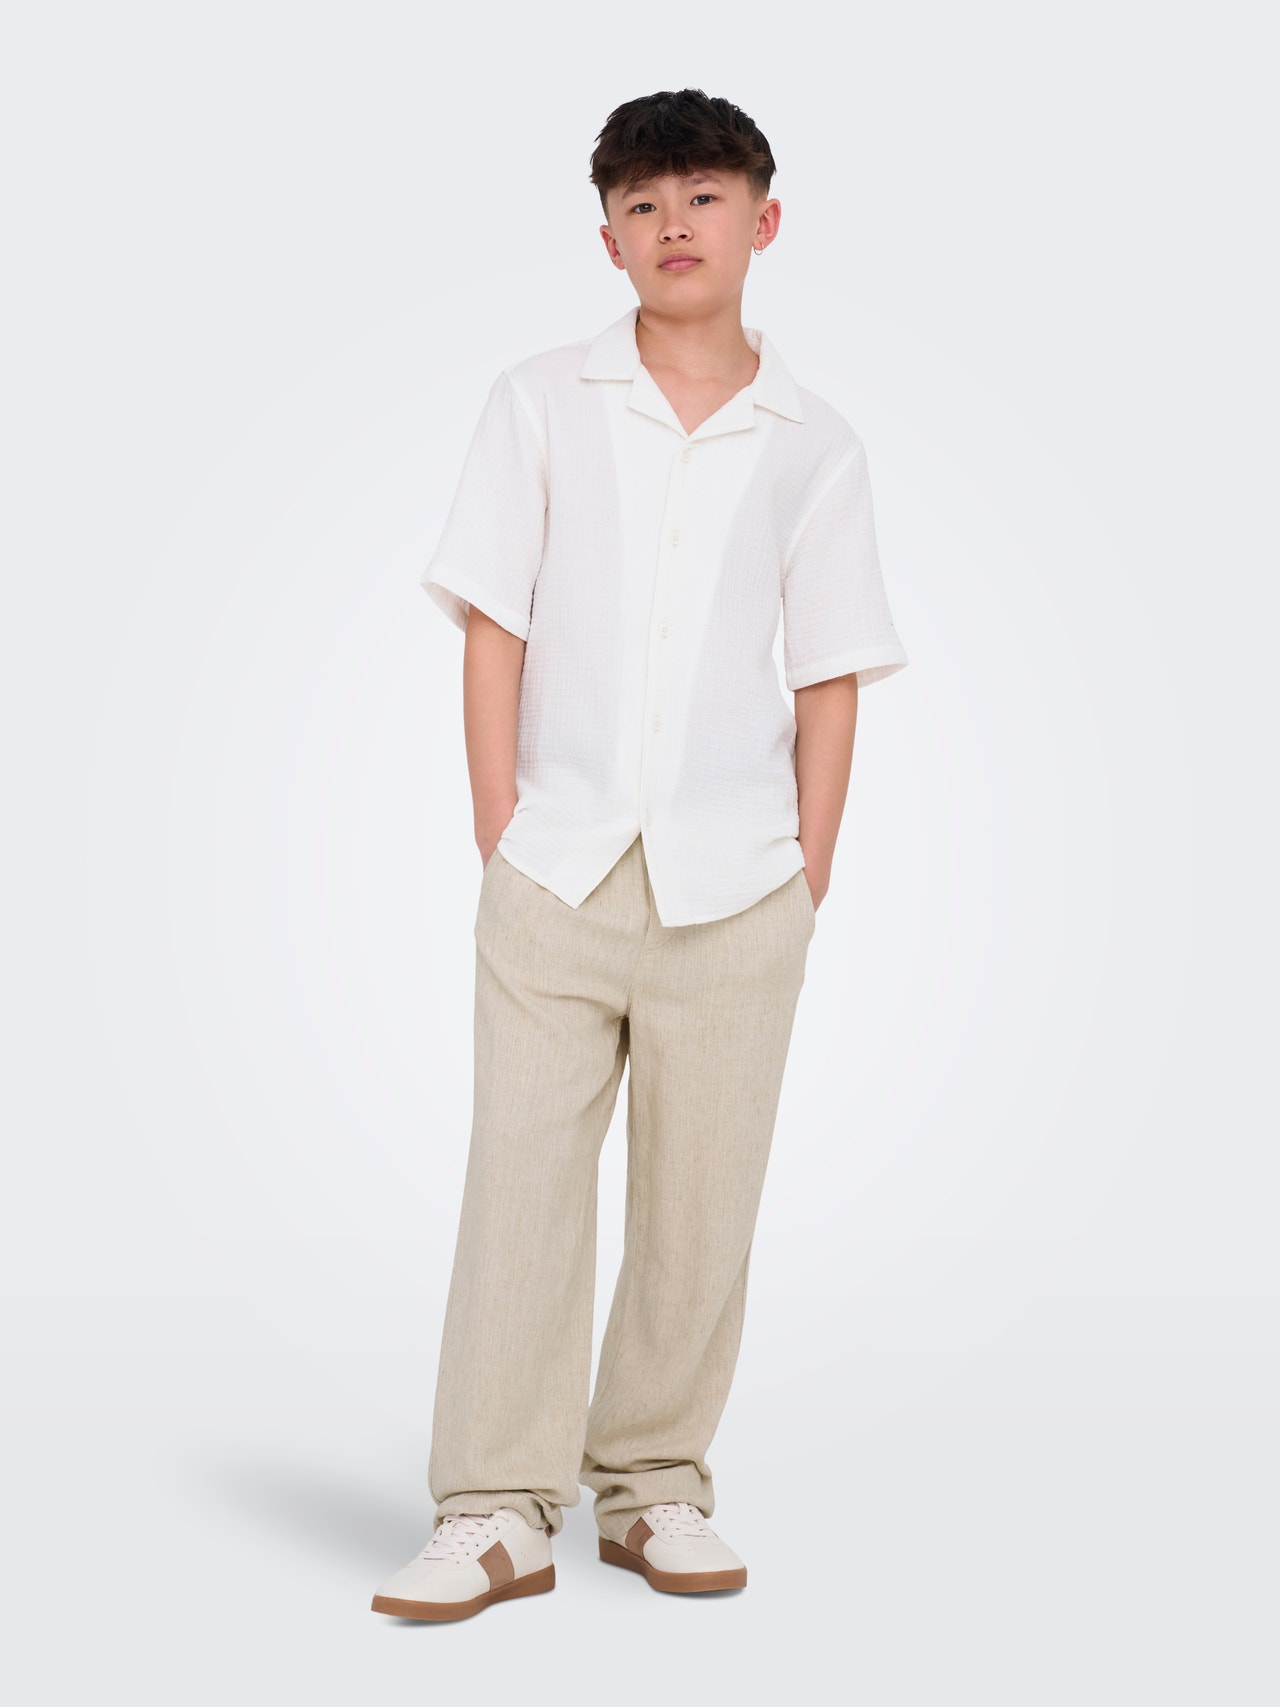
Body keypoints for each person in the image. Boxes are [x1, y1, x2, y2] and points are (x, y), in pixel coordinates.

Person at [372, 87, 908, 1623]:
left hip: (740, 886)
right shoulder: (540, 400)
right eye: (643, 204)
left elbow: (830, 671)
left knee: (702, 1201)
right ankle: (493, 1504)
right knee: (521, 1187)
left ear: (764, 220)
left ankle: (655, 1481)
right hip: (557, 867)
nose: (676, 224)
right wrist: (501, 827)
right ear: (606, 236)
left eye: (705, 196)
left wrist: (807, 872)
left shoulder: (816, 443)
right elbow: (494, 620)